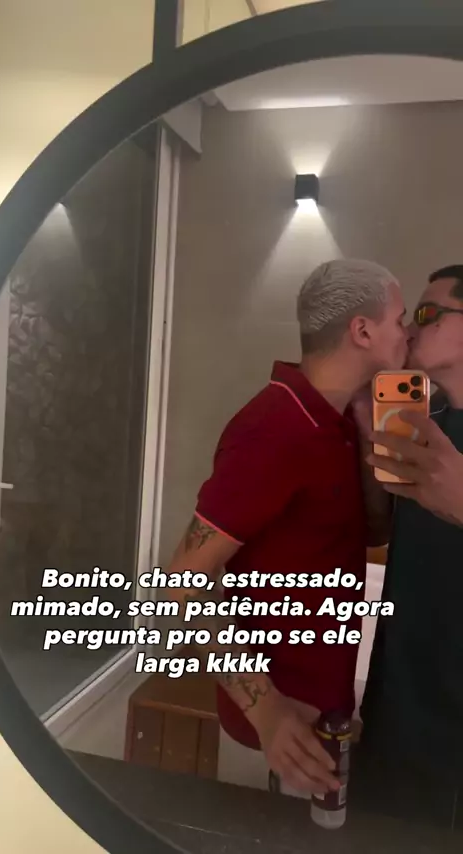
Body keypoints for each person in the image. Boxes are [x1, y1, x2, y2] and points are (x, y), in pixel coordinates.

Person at [163, 258, 408, 798]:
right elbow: (178, 586)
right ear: (362, 331)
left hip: (327, 704)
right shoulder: (274, 430)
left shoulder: (340, 419)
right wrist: (267, 711)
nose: (407, 332)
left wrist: (370, 444)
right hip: (278, 724)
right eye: (400, 318)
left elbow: (372, 533)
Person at [358, 265, 463, 822]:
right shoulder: (424, 420)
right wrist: (368, 458)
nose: (412, 328)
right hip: (394, 708)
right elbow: (382, 531)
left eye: (428, 313)